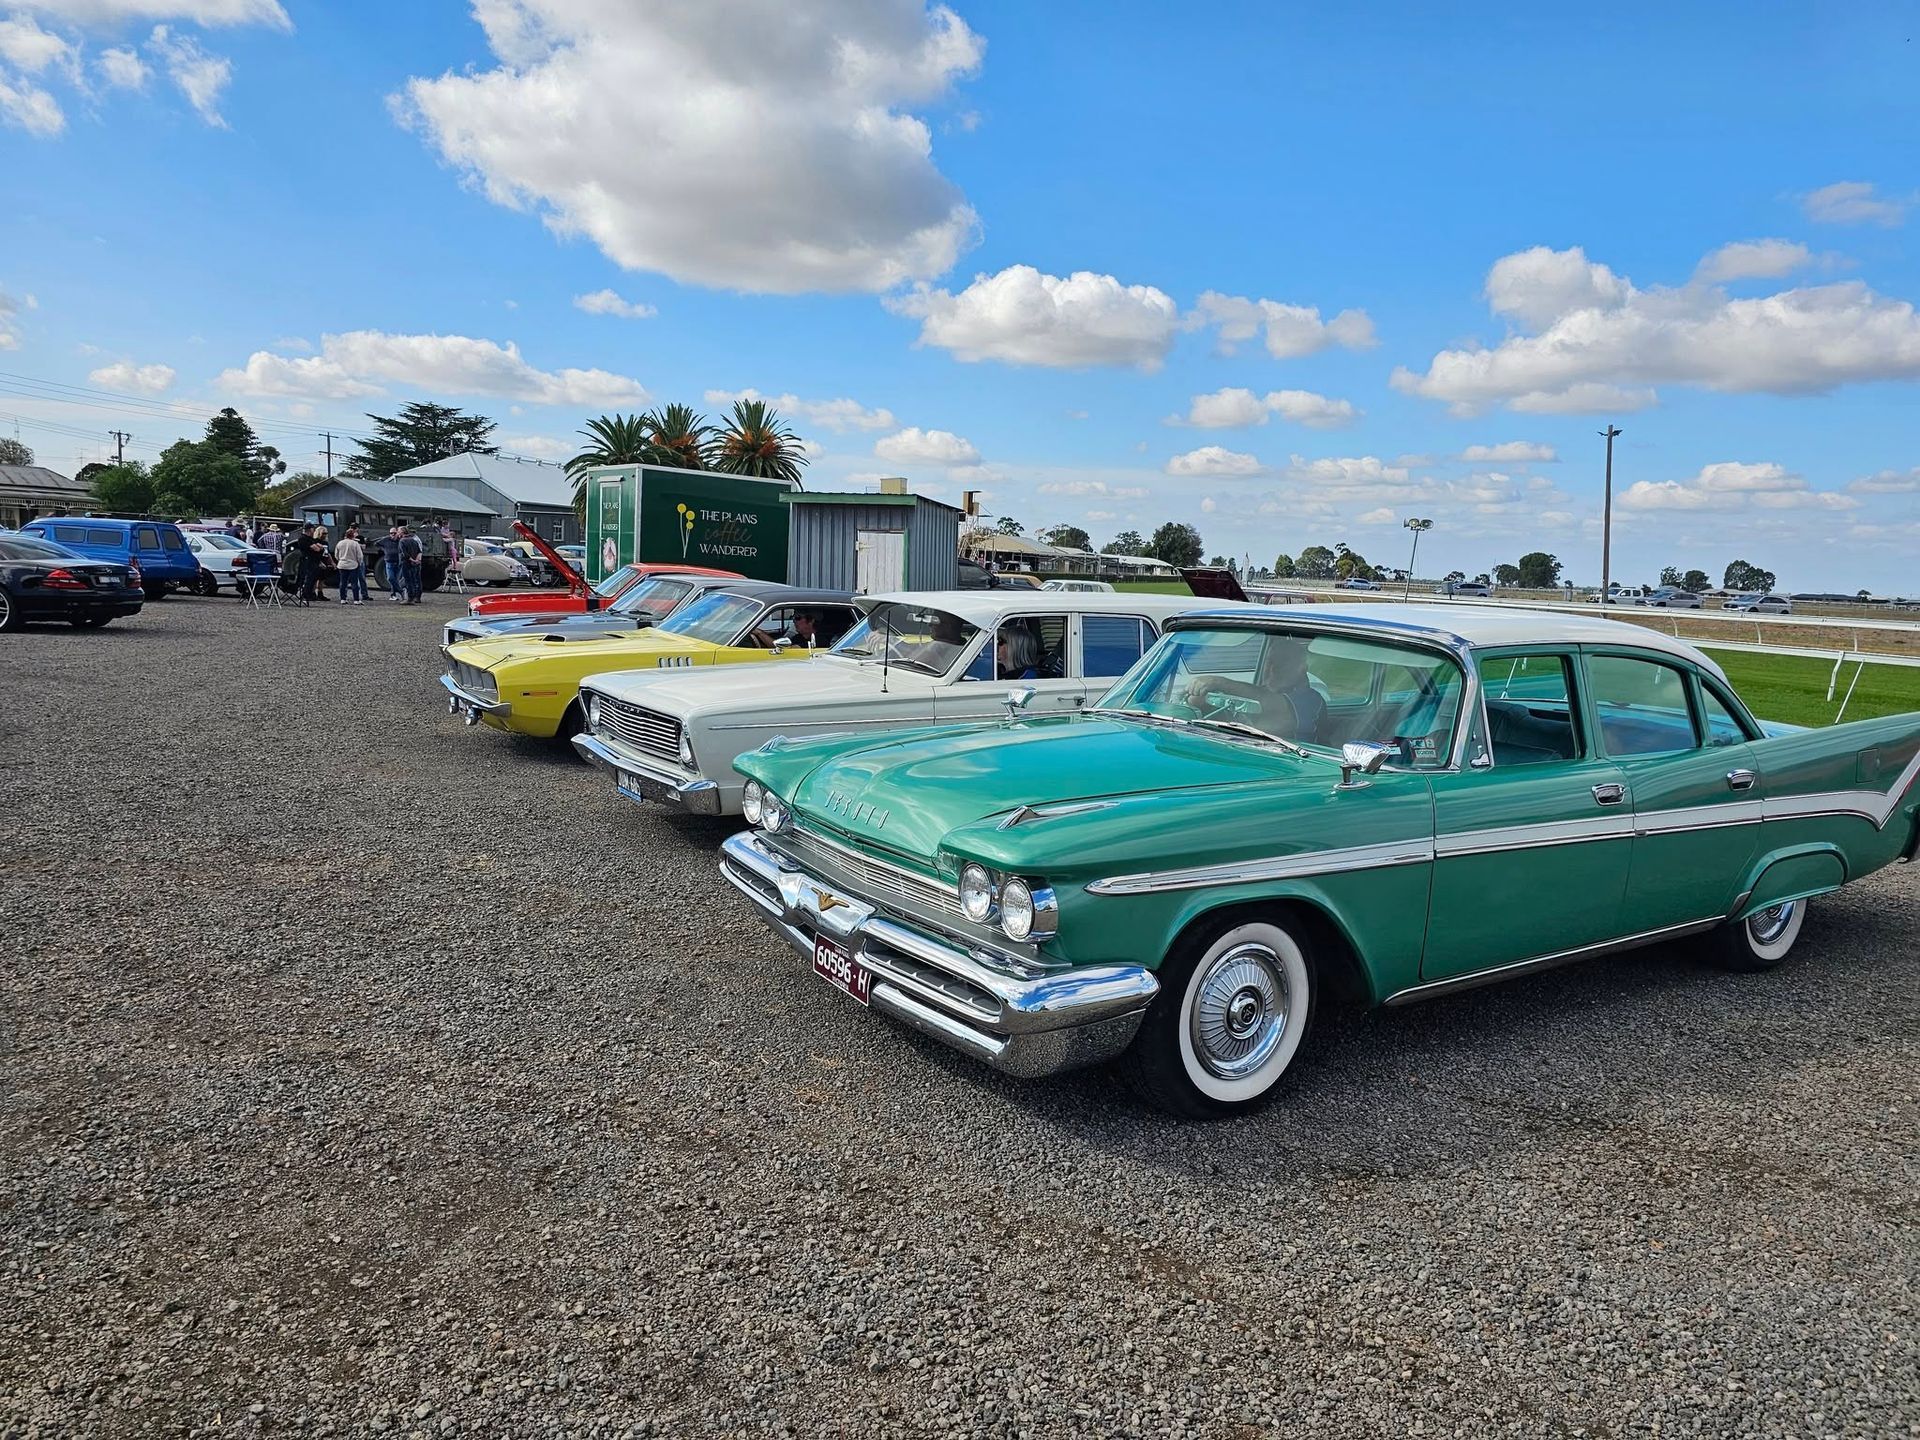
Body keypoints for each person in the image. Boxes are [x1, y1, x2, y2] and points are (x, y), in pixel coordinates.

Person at [288, 523, 325, 605]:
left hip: (314, 561)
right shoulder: (303, 539)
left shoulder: (311, 539)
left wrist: (319, 548)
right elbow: (317, 549)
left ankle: (308, 594)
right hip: (307, 561)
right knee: (308, 579)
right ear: (310, 529)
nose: (314, 531)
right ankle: (304, 595)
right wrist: (319, 548)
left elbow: (318, 548)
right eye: (313, 529)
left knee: (313, 579)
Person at [335, 527, 367, 605]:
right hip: (353, 565)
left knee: (343, 582)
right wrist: (359, 563)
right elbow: (360, 556)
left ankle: (343, 599)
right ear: (353, 536)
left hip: (342, 565)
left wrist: (340, 560)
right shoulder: (355, 544)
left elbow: (336, 554)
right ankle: (356, 599)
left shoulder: (340, 543)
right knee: (354, 583)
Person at [376, 525, 403, 600]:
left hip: (398, 562)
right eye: (391, 533)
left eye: (394, 533)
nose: (393, 534)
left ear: (397, 533)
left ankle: (393, 595)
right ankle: (401, 591)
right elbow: (376, 543)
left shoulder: (400, 540)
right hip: (389, 562)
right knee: (390, 578)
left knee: (396, 579)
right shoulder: (386, 539)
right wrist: (384, 549)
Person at [398, 524, 424, 604]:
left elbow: (405, 554)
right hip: (415, 564)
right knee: (415, 580)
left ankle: (410, 598)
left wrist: (412, 560)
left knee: (408, 581)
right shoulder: (414, 540)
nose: (397, 533)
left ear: (402, 532)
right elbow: (419, 551)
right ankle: (416, 597)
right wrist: (417, 560)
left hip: (406, 563)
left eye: (398, 531)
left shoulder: (402, 541)